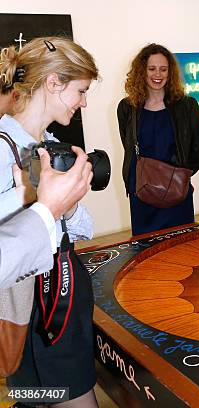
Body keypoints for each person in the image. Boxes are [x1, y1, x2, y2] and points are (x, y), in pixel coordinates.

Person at [0, 36, 99, 407]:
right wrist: (31, 198)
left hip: (61, 295)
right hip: (37, 309)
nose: (84, 102)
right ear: (53, 83)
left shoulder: (50, 142)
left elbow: (81, 227)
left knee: (34, 399)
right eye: (81, 90)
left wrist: (67, 203)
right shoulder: (2, 145)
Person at [117, 43, 199, 236]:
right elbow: (129, 147)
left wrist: (176, 178)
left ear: (170, 72)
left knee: (182, 246)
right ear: (142, 71)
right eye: (152, 69)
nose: (158, 74)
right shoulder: (127, 107)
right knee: (145, 251)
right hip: (142, 193)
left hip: (176, 193)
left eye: (163, 69)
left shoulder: (187, 106)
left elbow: (196, 153)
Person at [0, 147, 92, 289]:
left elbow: (84, 232)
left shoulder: (53, 145)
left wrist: (67, 202)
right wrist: (26, 198)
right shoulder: (5, 151)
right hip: (17, 296)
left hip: (49, 290)